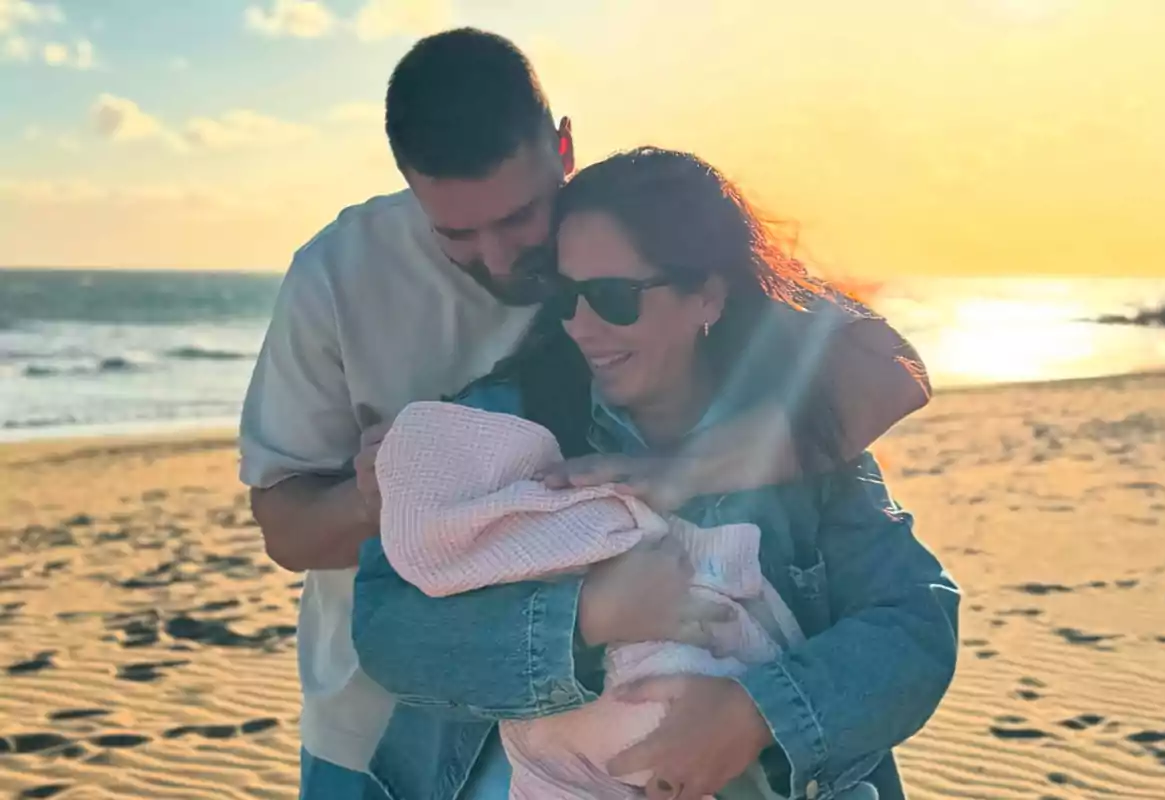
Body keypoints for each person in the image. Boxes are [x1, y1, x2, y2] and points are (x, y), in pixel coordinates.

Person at [239, 29, 933, 798]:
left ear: (562, 152)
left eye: (521, 219)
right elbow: (296, 537)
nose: (502, 260)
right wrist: (398, 492)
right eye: (457, 234)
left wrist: (698, 474)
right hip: (397, 729)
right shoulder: (341, 276)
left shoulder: (650, 243)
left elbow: (893, 371)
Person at [353, 147, 959, 800]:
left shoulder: (797, 440)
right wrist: (587, 616)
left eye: (615, 298)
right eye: (565, 296)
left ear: (708, 294)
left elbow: (915, 622)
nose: (582, 326)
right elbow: (388, 628)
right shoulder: (505, 425)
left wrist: (758, 714)